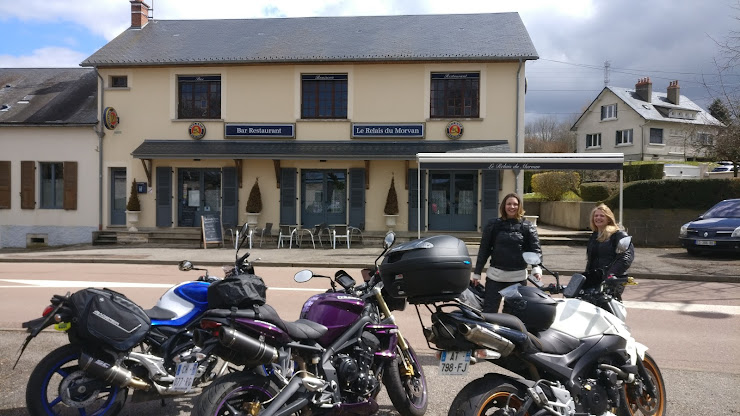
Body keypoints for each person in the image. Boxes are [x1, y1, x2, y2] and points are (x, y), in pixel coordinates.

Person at [472, 193, 542, 313]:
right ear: (504, 206)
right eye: (509, 204)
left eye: (515, 204)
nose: (512, 207)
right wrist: (477, 272)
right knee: (489, 312)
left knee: (513, 314)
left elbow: (535, 249)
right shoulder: (493, 225)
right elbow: (484, 249)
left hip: (517, 279)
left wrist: (536, 268)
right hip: (496, 277)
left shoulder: (527, 226)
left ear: (519, 206)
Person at [583, 203, 634, 295]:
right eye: (596, 216)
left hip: (612, 280)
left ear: (609, 219)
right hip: (595, 278)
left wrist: (610, 275)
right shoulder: (594, 236)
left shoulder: (618, 235)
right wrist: (586, 277)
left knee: (608, 306)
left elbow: (625, 258)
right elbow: (591, 260)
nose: (598, 218)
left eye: (602, 216)